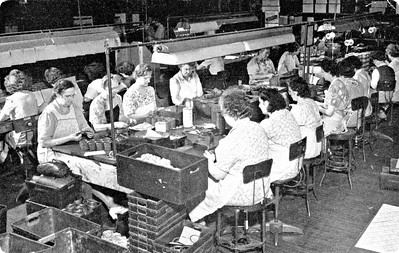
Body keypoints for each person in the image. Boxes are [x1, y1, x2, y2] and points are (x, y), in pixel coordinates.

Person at [189, 87, 270, 223]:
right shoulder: (259, 128)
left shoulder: (231, 140)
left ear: (228, 113)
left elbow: (218, 175)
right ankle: (200, 219)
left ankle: (196, 222)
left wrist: (210, 160)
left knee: (195, 181)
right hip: (261, 188)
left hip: (241, 194)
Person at [37, 79, 95, 163]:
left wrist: (88, 131)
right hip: (51, 153)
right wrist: (69, 138)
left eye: (73, 95)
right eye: (67, 96)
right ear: (57, 95)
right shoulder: (49, 113)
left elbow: (84, 126)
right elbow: (44, 142)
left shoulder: (75, 108)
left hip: (71, 149)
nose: (71, 99)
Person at [258, 88, 302, 183]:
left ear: (266, 103)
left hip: (282, 168)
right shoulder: (287, 113)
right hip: (296, 163)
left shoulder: (269, 123)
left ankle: (264, 194)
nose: (259, 106)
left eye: (260, 103)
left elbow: (254, 141)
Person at [0, 70, 39, 162]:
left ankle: (4, 159)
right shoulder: (31, 95)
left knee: (5, 136)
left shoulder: (12, 99)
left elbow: (1, 118)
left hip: (21, 138)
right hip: (34, 135)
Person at [287, 77, 322, 159]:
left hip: (306, 149)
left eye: (289, 91)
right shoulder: (312, 102)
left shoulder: (299, 108)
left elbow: (291, 127)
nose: (289, 93)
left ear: (295, 92)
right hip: (317, 145)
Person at [317, 59, 351, 136]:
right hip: (340, 119)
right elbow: (335, 104)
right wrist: (321, 104)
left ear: (329, 72)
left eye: (323, 72)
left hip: (333, 122)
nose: (322, 75)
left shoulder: (334, 87)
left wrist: (317, 107)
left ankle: (323, 147)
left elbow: (329, 112)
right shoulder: (340, 83)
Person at [337, 58, 365, 128]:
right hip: (358, 119)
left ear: (340, 73)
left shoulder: (343, 86)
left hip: (347, 120)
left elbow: (340, 107)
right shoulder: (359, 84)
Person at [369, 51, 396, 119]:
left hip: (380, 97)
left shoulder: (376, 71)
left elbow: (373, 86)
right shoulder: (391, 69)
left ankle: (369, 114)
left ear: (375, 60)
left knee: (366, 93)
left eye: (373, 61)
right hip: (390, 96)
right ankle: (384, 111)